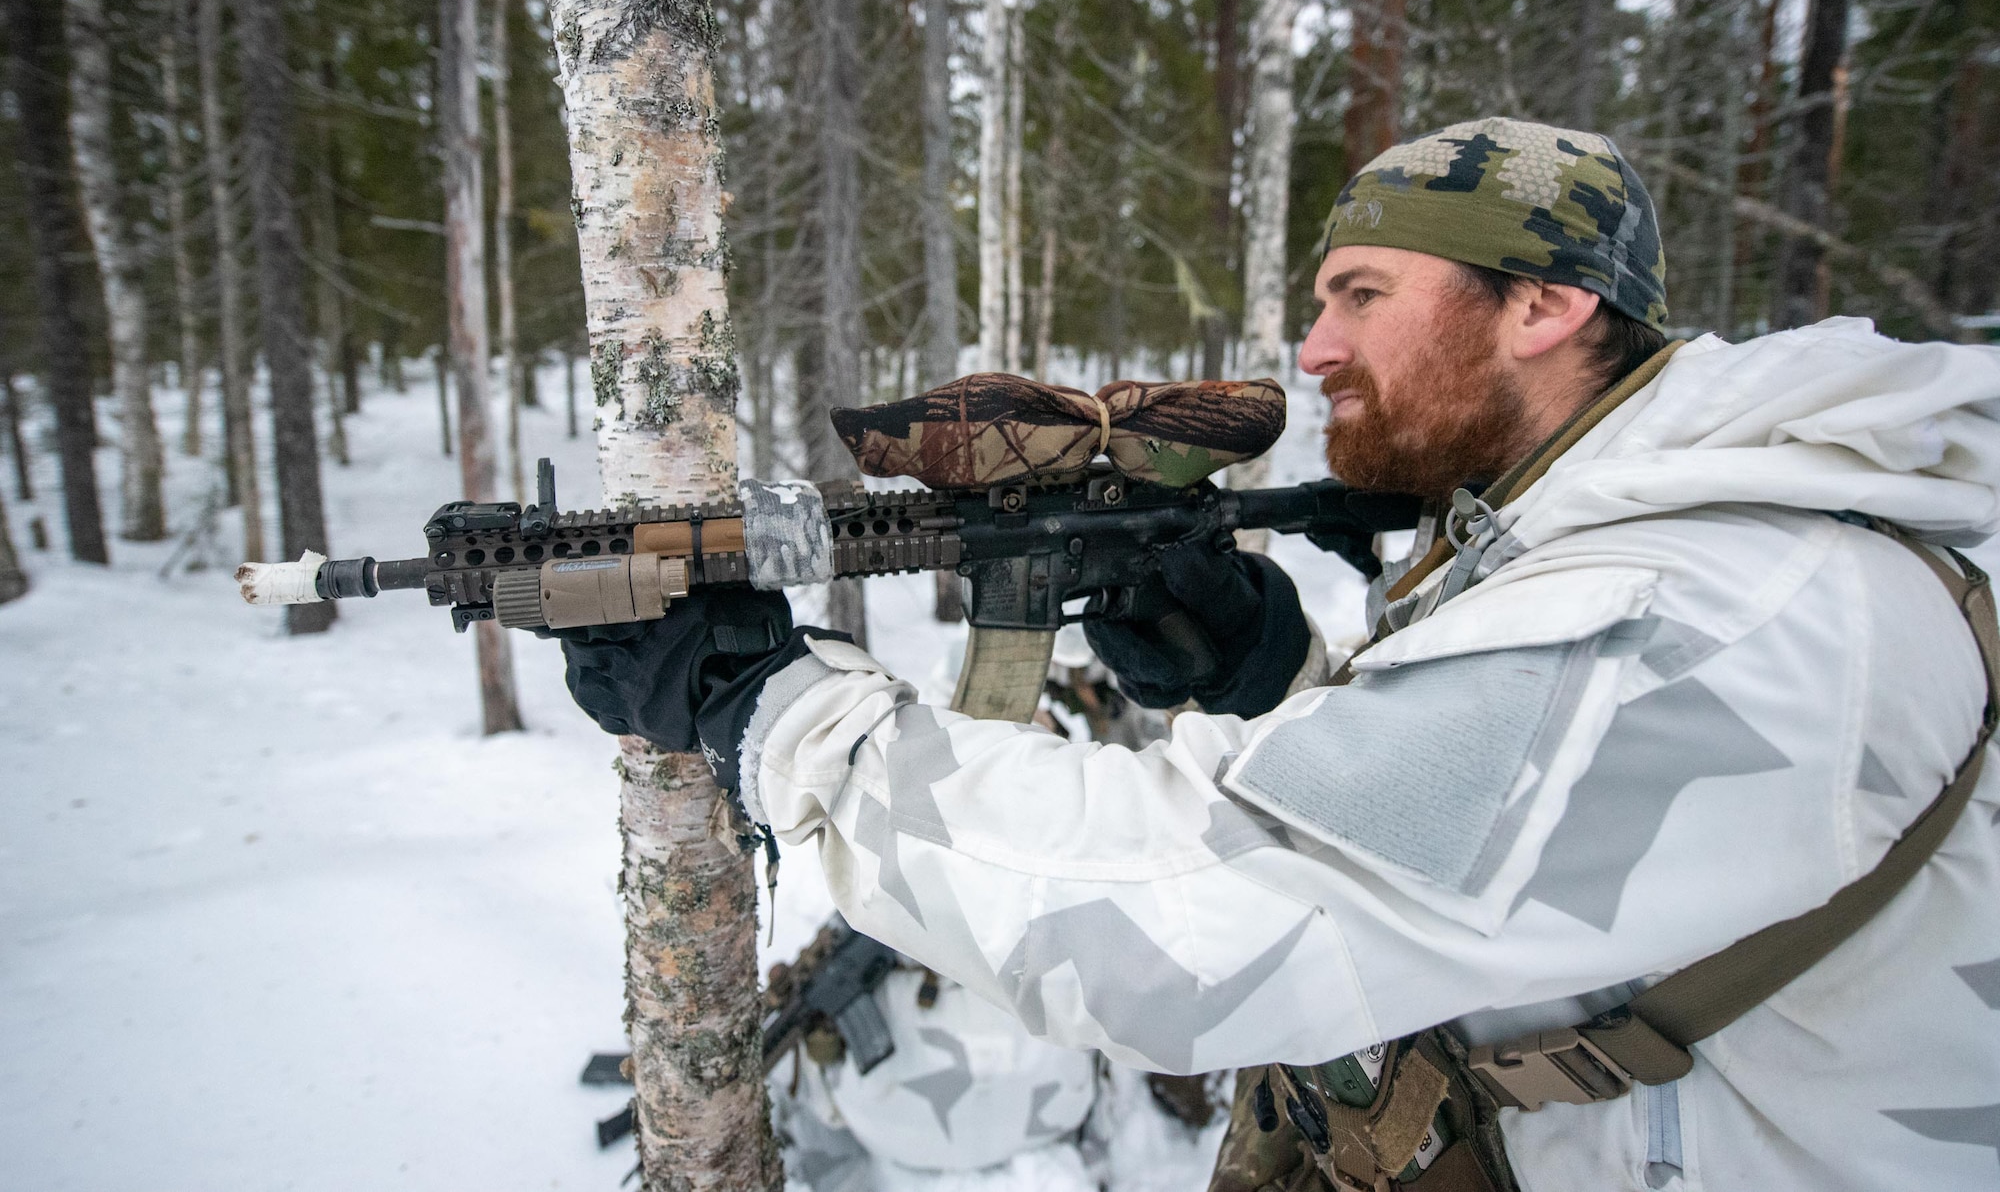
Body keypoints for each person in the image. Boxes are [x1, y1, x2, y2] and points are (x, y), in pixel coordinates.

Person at [558, 118, 2000, 1191]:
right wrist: (1266, 675)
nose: (1311, 350)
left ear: (1547, 307)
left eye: (1363, 294)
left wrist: (771, 711)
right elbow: (1506, 845)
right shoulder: (1613, 530)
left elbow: (1199, 922)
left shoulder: (1702, 607)